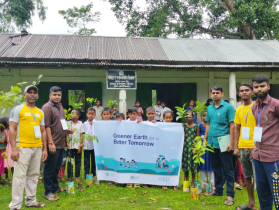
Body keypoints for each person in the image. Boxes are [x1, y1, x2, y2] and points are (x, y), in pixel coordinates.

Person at [9, 85, 47, 209]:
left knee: (34, 175)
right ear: (24, 95)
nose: (32, 94)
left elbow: (43, 131)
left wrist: (44, 148)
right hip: (22, 147)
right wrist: (14, 149)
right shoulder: (18, 109)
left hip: (37, 147)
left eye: (34, 93)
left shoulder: (40, 112)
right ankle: (15, 205)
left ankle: (31, 201)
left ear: (37, 96)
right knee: (19, 177)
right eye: (29, 92)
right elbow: (12, 128)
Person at [251, 74, 279, 210]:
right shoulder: (254, 107)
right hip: (258, 156)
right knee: (262, 192)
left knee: (277, 193)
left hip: (274, 157)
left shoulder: (276, 105)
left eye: (262, 86)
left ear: (268, 86)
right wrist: (255, 148)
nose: (259, 89)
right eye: (256, 87)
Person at [204, 85, 235, 206]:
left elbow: (232, 125)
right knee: (216, 168)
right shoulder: (210, 108)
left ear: (222, 94)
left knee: (228, 169)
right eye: (213, 93)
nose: (215, 95)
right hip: (212, 142)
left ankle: (230, 195)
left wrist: (232, 143)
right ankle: (218, 190)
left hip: (224, 140)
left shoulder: (228, 107)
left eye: (217, 93)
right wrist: (205, 140)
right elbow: (207, 123)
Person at [42, 86, 72, 201]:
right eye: (54, 95)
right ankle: (48, 191)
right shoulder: (47, 107)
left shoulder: (60, 106)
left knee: (56, 167)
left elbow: (60, 122)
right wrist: (50, 142)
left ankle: (55, 187)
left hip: (61, 143)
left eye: (59, 95)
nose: (57, 97)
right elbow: (46, 126)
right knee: (49, 168)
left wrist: (67, 131)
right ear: (50, 95)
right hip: (52, 143)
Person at [182, 111, 200, 188]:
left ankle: (193, 182)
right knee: (185, 165)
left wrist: (196, 148)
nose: (188, 118)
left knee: (193, 165)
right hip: (185, 148)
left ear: (193, 117)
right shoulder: (183, 126)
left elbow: (198, 138)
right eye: (186, 116)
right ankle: (186, 181)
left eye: (189, 116)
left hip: (193, 148)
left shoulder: (196, 126)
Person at [198, 111, 214, 193]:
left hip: (209, 144)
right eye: (203, 116)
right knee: (202, 163)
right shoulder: (199, 125)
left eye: (206, 116)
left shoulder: (212, 125)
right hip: (201, 146)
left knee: (210, 163)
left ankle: (212, 183)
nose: (205, 117)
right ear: (201, 116)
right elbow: (197, 136)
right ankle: (203, 182)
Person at [125, 107, 141, 188]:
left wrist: (141, 123)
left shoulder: (139, 122)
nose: (132, 115)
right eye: (131, 114)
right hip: (127, 145)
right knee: (128, 161)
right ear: (128, 114)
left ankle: (136, 180)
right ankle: (128, 180)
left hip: (136, 146)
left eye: (134, 114)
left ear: (137, 114)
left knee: (136, 162)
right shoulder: (125, 122)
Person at [67, 109, 84, 182]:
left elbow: (81, 135)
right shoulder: (68, 123)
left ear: (77, 116)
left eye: (72, 113)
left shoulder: (81, 124)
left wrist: (81, 145)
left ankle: (77, 176)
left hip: (77, 145)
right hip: (70, 145)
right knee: (70, 161)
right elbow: (66, 134)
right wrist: (67, 142)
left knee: (78, 161)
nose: (71, 115)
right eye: (71, 113)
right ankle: (70, 176)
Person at [83, 107, 97, 184]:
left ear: (95, 114)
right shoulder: (84, 124)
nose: (91, 115)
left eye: (92, 114)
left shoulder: (97, 123)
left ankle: (93, 175)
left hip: (94, 146)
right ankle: (86, 176)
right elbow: (83, 133)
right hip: (86, 145)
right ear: (87, 114)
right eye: (89, 114)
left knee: (93, 161)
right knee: (86, 161)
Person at [3, 117, 14, 184]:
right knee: (9, 163)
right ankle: (10, 177)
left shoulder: (14, 128)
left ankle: (14, 179)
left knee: (13, 163)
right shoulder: (5, 130)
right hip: (8, 147)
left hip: (13, 146)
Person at [0, 117, 7, 183]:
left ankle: (5, 176)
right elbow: (2, 141)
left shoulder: (4, 132)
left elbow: (3, 141)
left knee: (3, 163)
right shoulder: (3, 133)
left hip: (4, 149)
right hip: (0, 150)